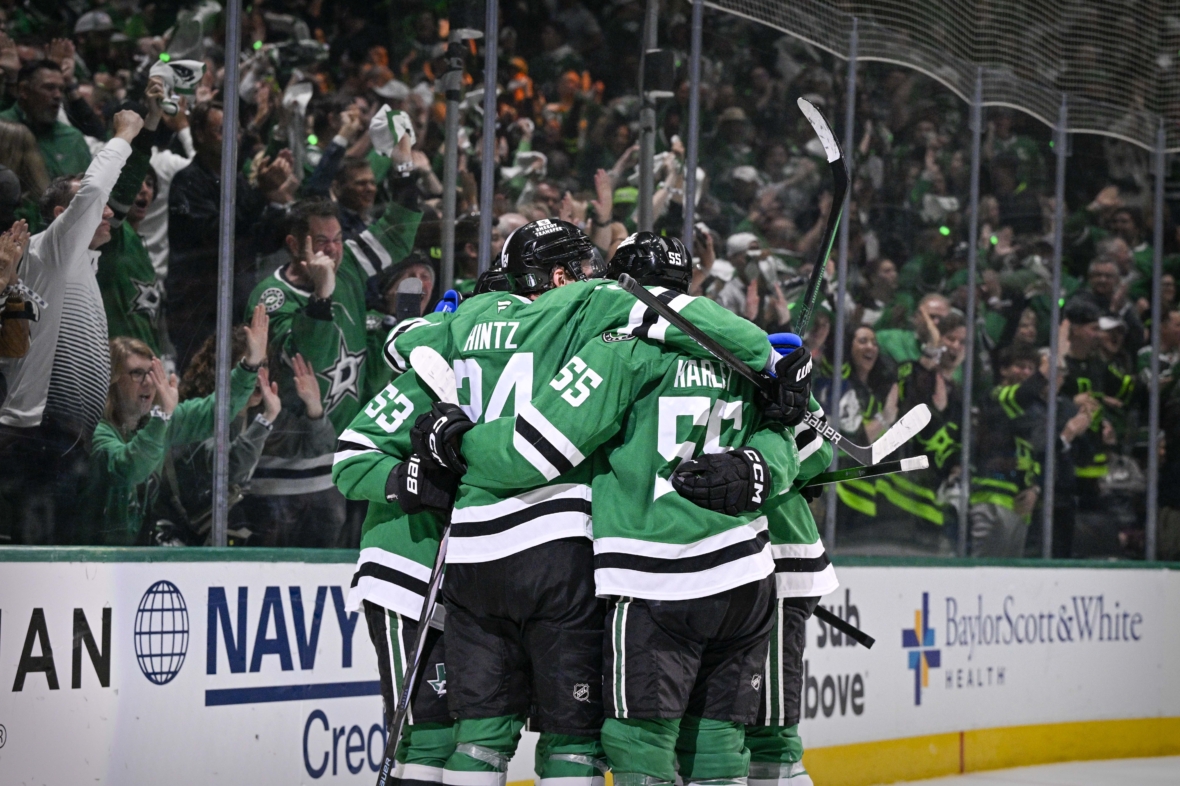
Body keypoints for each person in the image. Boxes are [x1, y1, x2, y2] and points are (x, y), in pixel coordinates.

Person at [381, 224, 795, 786]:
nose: (600, 278)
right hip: (675, 564)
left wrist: (454, 446)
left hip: (489, 556)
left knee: (484, 739)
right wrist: (778, 365)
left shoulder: (472, 321)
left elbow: (402, 346)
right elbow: (795, 431)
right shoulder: (595, 310)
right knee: (592, 741)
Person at [242, 173, 422, 546]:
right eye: (322, 241)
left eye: (338, 239)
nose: (334, 250)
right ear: (294, 244)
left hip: (334, 470)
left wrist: (404, 170)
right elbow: (305, 362)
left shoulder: (351, 265)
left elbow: (397, 232)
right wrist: (321, 298)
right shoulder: (271, 296)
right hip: (281, 475)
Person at [74, 304, 269, 544]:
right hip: (89, 562)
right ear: (112, 379)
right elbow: (131, 469)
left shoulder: (155, 422)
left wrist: (250, 365)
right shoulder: (97, 430)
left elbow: (213, 412)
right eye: (137, 374)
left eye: (152, 373)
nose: (149, 382)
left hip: (135, 559)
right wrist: (163, 417)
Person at [0, 60, 92, 179]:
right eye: (49, 87)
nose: (58, 95)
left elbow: (92, 190)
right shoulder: (2, 129)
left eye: (61, 89)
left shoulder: (72, 138)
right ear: (24, 90)